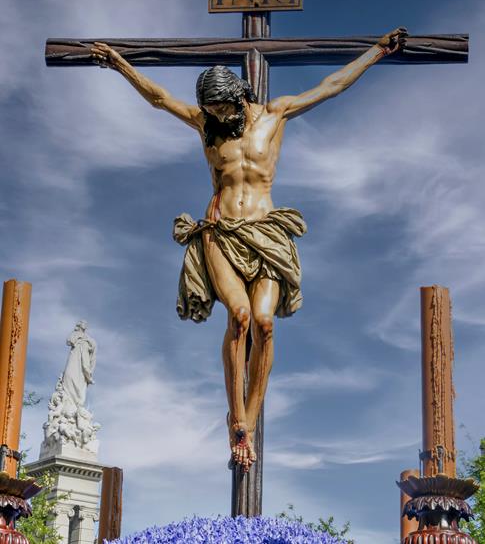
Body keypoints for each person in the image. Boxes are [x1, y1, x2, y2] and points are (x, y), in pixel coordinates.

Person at [92, 27, 407, 471]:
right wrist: (120, 64)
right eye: (211, 111)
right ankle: (236, 418)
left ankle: (250, 418)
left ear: (239, 96)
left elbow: (331, 86)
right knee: (239, 317)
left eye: (223, 108)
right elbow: (160, 98)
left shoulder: (275, 114)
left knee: (264, 322)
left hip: (267, 232)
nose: (218, 117)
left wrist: (375, 53)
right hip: (220, 233)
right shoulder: (206, 126)